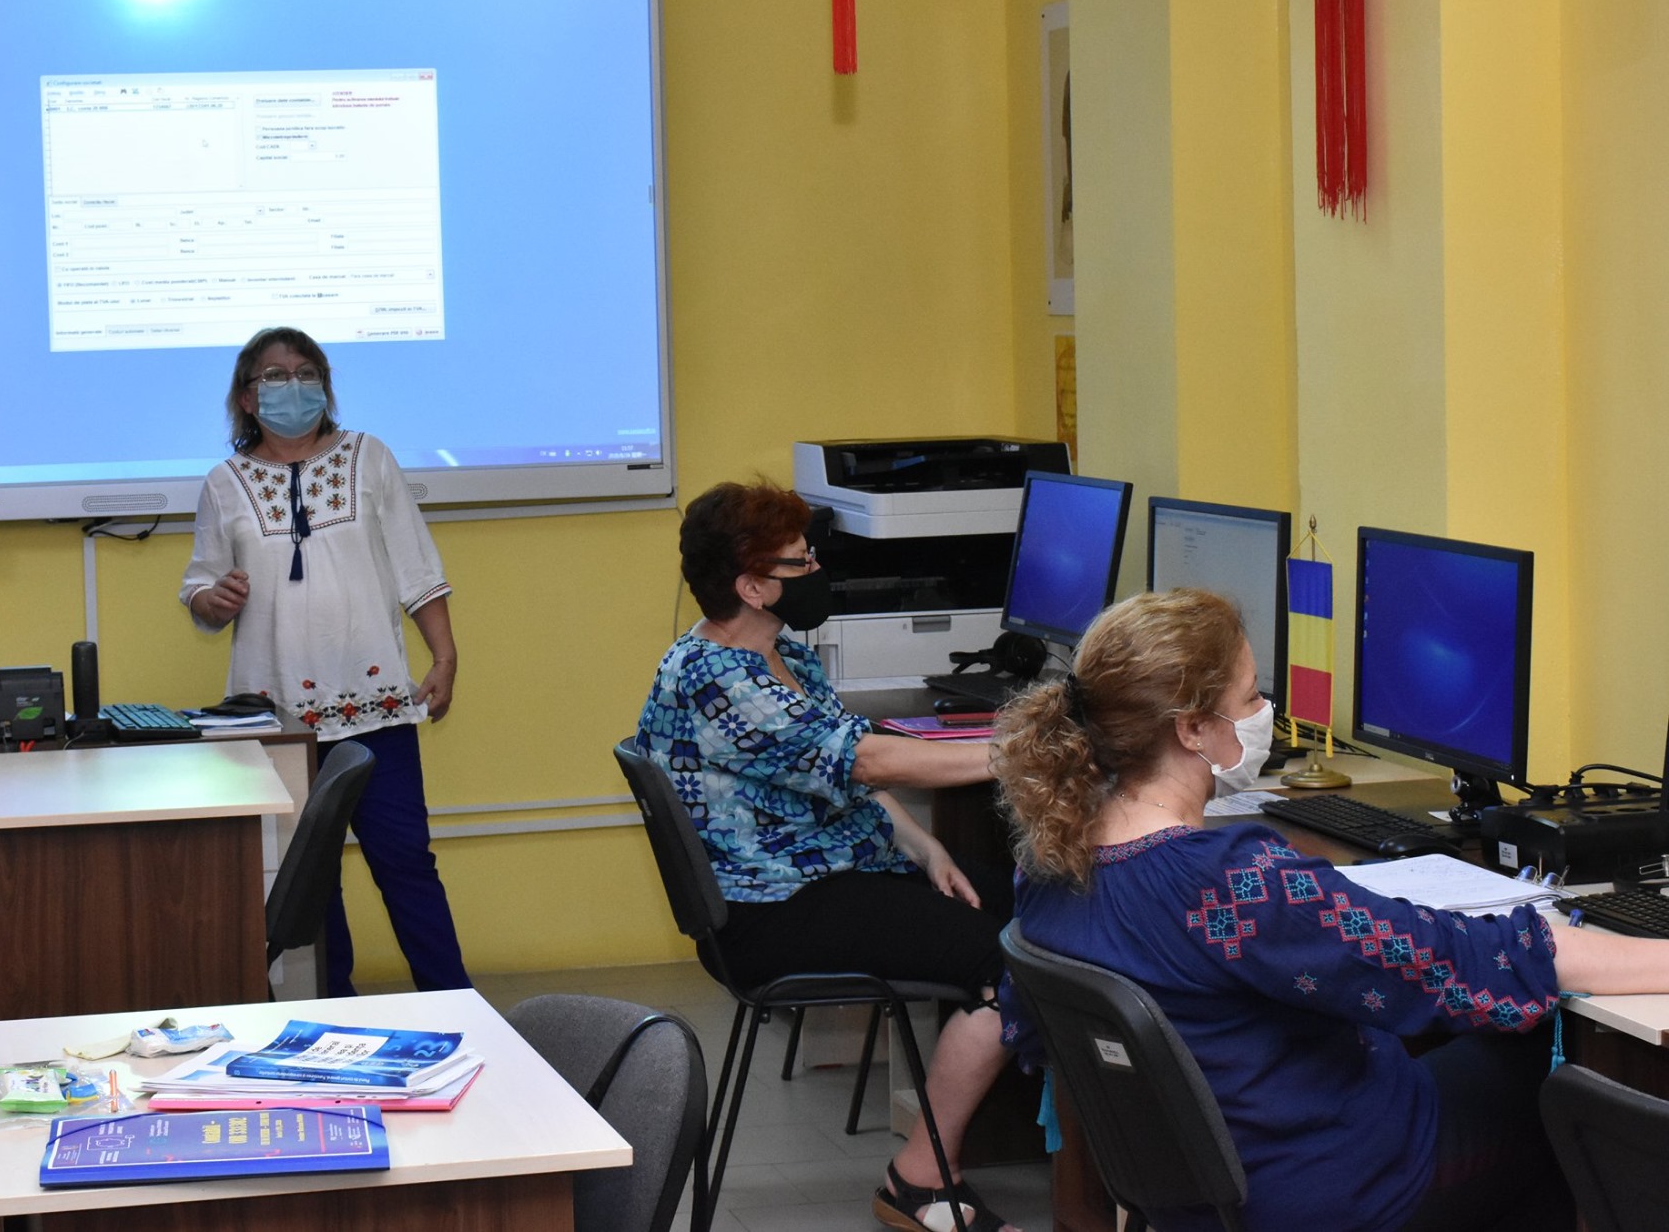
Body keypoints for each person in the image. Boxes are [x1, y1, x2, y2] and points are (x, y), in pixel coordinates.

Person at [993, 587, 1669, 1232]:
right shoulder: (1227, 882)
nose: (1265, 712)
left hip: (1197, 1195)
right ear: (1193, 728)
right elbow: (1431, 959)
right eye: (1250, 696)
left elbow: (1030, 1034)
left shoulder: (1049, 859)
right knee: (1554, 1082)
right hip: (1330, 1188)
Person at [635, 480, 1024, 1232]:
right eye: (800, 562)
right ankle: (919, 1181)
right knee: (1014, 959)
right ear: (751, 586)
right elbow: (868, 760)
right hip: (768, 913)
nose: (817, 571)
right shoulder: (718, 677)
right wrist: (1025, 751)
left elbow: (841, 771)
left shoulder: (779, 654)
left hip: (821, 876)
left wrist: (926, 847)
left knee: (1037, 906)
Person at [181, 327, 471, 996]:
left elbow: (417, 569)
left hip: (378, 712)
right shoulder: (224, 483)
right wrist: (212, 599)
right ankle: (335, 1012)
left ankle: (455, 1003)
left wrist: (445, 655)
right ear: (247, 397)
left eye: (306, 372)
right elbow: (200, 589)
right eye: (275, 375)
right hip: (279, 724)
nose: (293, 385)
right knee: (311, 881)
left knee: (406, 864)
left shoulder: (370, 458)